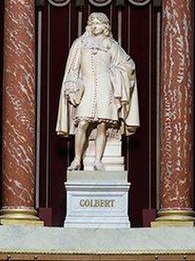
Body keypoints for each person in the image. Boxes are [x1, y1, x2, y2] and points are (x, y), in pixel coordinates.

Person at [56, 12, 140, 171]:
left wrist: (115, 74)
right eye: (92, 22)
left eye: (98, 23)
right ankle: (77, 160)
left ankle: (97, 160)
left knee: (102, 125)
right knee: (82, 123)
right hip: (86, 88)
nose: (95, 26)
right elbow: (73, 67)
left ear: (105, 26)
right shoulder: (80, 43)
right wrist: (71, 83)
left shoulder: (111, 45)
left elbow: (129, 65)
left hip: (105, 87)